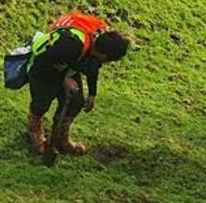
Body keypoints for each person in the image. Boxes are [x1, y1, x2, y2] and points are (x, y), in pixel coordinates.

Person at [25, 12, 130, 157]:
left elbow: (93, 68)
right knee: (41, 103)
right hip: (44, 66)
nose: (108, 62)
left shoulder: (97, 45)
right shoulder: (72, 45)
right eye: (109, 59)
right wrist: (64, 79)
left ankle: (60, 138)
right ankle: (35, 134)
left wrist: (92, 93)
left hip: (67, 65)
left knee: (76, 102)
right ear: (103, 53)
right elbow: (43, 60)